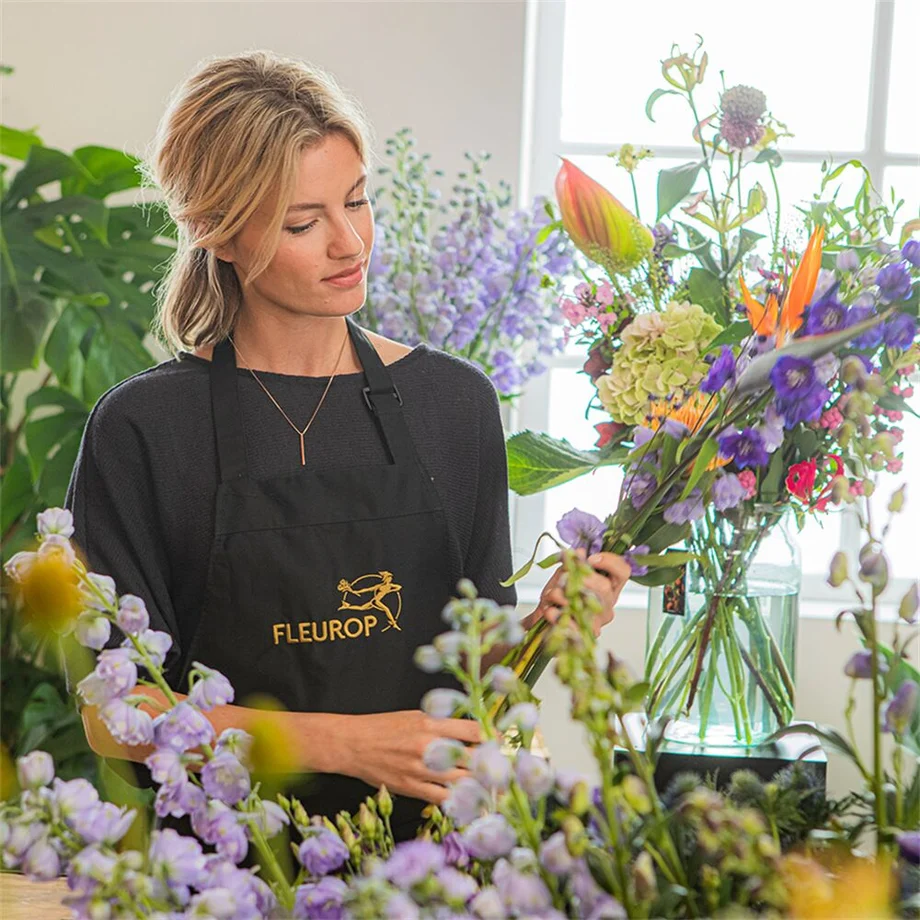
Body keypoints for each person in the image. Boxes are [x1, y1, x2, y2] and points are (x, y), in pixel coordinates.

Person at [67, 50, 630, 839]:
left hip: (430, 864)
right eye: (304, 222)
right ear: (214, 233)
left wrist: (551, 630)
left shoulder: (453, 404)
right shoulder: (145, 429)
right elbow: (116, 712)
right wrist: (348, 744)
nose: (349, 242)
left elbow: (478, 676)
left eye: (357, 202)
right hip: (228, 871)